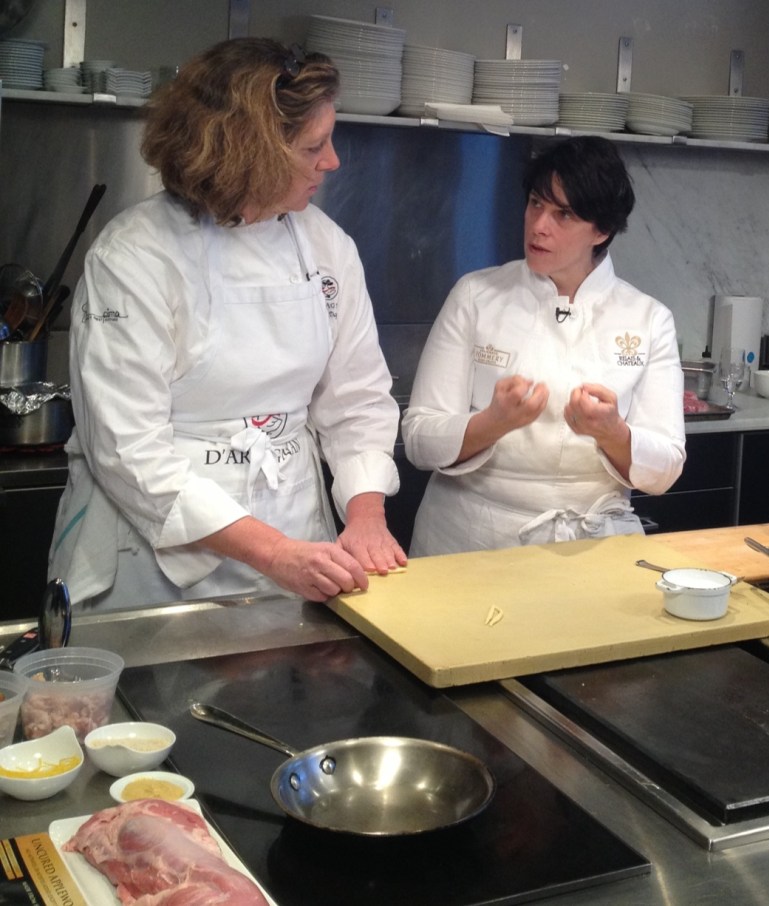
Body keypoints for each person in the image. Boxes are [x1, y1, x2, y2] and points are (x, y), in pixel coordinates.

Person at [48, 38, 407, 610]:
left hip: (297, 541)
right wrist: (271, 553)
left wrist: (365, 514)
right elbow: (127, 449)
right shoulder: (135, 255)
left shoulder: (325, 246)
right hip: (152, 562)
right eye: (314, 145)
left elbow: (357, 400)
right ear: (251, 151)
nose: (333, 161)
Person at [401, 136, 686, 555]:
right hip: (469, 541)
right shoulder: (475, 295)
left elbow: (665, 469)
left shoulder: (648, 319)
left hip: (592, 549)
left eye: (564, 214)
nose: (539, 225)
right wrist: (494, 422)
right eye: (536, 203)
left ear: (602, 230)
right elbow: (419, 438)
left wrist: (613, 433)